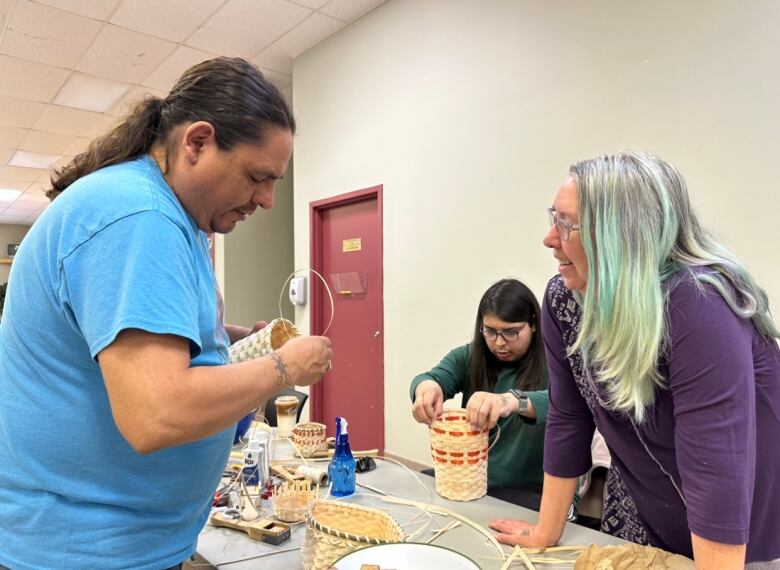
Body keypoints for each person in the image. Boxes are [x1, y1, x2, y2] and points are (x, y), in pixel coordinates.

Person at [0, 57, 332, 570]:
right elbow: (156, 413)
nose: (266, 200)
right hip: (86, 552)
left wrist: (229, 337)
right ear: (196, 142)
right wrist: (284, 369)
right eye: (256, 177)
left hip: (120, 543)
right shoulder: (140, 218)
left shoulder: (169, 216)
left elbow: (140, 346)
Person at [490, 151, 780, 568]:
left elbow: (717, 470)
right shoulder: (564, 299)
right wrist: (545, 532)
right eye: (553, 218)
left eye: (567, 225)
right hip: (653, 513)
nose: (550, 239)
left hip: (743, 537)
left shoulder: (701, 304)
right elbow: (569, 417)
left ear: (623, 236)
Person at [411, 278, 549, 509]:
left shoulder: (556, 362)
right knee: (421, 489)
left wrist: (512, 401)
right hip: (473, 481)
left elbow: (562, 405)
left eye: (511, 332)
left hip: (535, 490)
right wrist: (425, 389)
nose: (499, 342)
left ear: (533, 324)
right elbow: (430, 379)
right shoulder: (470, 357)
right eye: (490, 331)